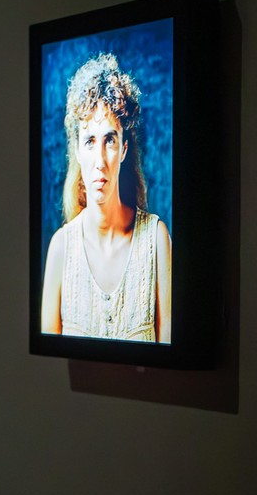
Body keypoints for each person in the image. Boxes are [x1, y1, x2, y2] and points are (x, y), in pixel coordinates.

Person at [40, 53, 172, 342]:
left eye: (109, 140)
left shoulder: (156, 239)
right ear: (76, 150)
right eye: (89, 141)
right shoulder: (61, 248)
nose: (99, 159)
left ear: (124, 149)